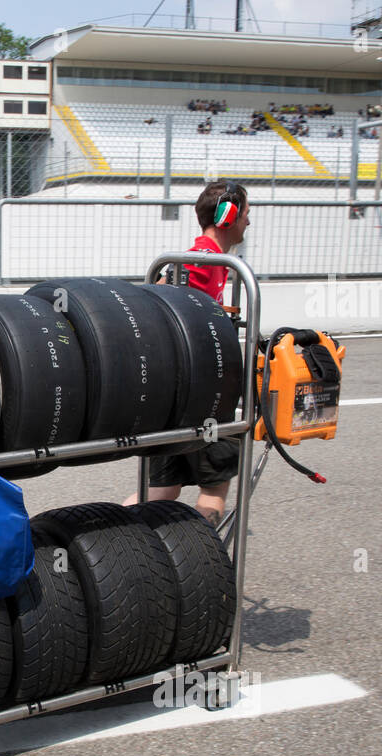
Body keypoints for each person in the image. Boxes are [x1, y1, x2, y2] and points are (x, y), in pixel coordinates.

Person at [123, 181, 250, 527]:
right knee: (214, 487)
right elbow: (162, 295)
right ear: (229, 217)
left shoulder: (206, 259)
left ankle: (116, 542)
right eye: (246, 216)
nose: (248, 224)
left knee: (163, 490)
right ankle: (206, 568)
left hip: (174, 397)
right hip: (204, 397)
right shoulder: (206, 259)